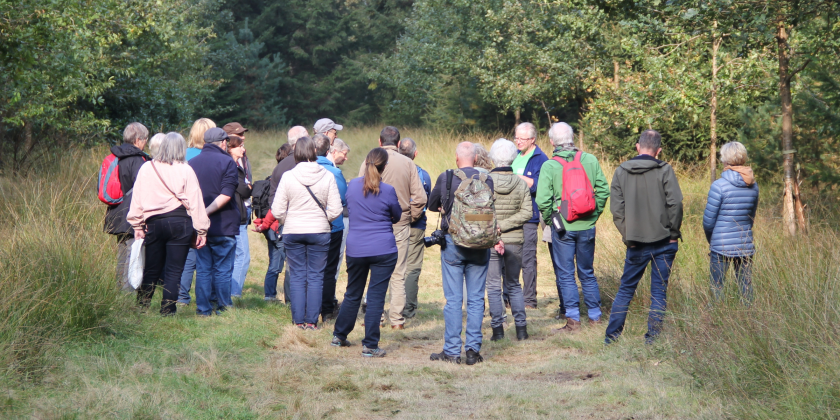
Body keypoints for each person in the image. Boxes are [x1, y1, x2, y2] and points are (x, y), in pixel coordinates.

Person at [605, 129, 683, 344]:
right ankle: (653, 340)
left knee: (626, 289)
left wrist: (628, 235)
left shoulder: (621, 171)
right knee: (658, 292)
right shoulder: (665, 170)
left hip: (635, 243)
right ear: (658, 150)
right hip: (664, 241)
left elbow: (617, 211)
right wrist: (673, 233)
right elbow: (675, 204)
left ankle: (611, 338)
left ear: (638, 147)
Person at [536, 122, 610, 332]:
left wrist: (554, 221)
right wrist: (593, 215)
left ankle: (573, 321)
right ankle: (595, 318)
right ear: (573, 138)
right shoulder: (590, 159)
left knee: (566, 273)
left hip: (564, 227)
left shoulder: (550, 166)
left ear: (552, 142)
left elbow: (542, 201)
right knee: (587, 271)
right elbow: (603, 191)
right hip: (587, 224)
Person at [127, 132, 210, 315]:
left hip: (154, 223)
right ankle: (168, 310)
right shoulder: (186, 169)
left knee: (151, 267)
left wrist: (137, 225)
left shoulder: (147, 168)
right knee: (174, 271)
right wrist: (202, 230)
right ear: (181, 149)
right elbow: (196, 201)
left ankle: (142, 306)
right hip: (181, 222)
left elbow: (137, 198)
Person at [427, 142, 495, 365]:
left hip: (453, 243)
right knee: (476, 299)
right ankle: (473, 350)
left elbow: (432, 204)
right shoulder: (487, 180)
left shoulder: (446, 177)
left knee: (454, 299)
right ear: (476, 159)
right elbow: (488, 212)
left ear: (457, 158)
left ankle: (452, 350)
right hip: (480, 245)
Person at [331, 148, 402, 357]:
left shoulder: (352, 185)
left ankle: (339, 335)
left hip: (356, 247)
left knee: (352, 293)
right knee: (375, 296)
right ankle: (370, 345)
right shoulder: (388, 190)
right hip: (383, 248)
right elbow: (396, 216)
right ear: (384, 166)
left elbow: (349, 206)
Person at [356, 126, 427, 329]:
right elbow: (420, 197)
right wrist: (411, 216)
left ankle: (375, 317)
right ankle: (397, 320)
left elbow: (360, 190)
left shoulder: (368, 161)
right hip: (400, 223)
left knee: (374, 270)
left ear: (380, 142)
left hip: (373, 223)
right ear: (398, 143)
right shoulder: (408, 163)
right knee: (398, 272)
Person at [272, 137, 342, 329]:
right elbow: (336, 209)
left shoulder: (288, 176)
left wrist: (289, 220)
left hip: (293, 231)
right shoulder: (327, 176)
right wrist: (323, 219)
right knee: (316, 276)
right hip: (319, 231)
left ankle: (298, 321)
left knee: (296, 275)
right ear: (313, 151)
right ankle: (311, 321)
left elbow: (277, 211)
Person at [189, 127, 240, 316]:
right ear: (224, 143)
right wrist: (207, 211)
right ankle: (223, 307)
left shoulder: (191, 163)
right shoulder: (227, 162)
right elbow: (226, 195)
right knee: (222, 269)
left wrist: (199, 214)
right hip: (223, 225)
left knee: (203, 269)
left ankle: (203, 309)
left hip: (199, 226)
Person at [486, 139, 532, 341]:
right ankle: (521, 330)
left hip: (490, 240)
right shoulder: (521, 184)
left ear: (492, 157)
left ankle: (498, 331)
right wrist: (505, 225)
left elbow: (477, 213)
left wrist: (496, 226)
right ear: (513, 157)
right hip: (515, 240)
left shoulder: (484, 181)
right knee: (514, 284)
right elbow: (527, 213)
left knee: (494, 285)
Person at [703, 141, 758, 305]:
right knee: (746, 289)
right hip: (745, 244)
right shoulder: (754, 186)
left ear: (725, 160)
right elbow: (751, 218)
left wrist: (712, 240)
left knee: (716, 288)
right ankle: (750, 321)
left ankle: (714, 323)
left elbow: (708, 221)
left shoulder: (718, 186)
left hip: (721, 245)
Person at [262, 126, 309, 302]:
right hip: (308, 222)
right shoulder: (311, 165)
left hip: (287, 222)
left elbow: (273, 202)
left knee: (292, 264)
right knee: (306, 265)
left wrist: (283, 220)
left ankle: (292, 301)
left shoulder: (280, 167)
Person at [104, 122, 150, 292]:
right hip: (133, 215)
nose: (145, 142)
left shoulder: (115, 156)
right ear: (138, 140)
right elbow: (143, 189)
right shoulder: (139, 160)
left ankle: (119, 291)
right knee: (134, 256)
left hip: (116, 212)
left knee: (122, 255)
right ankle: (127, 295)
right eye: (145, 139)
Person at [179, 118, 217, 305]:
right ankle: (209, 296)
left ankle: (182, 295)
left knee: (188, 255)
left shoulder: (183, 154)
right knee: (206, 255)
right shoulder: (213, 157)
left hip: (183, 209)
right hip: (208, 208)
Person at [512, 122, 548, 309]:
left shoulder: (541, 159)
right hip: (510, 215)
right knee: (509, 258)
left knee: (527, 259)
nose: (518, 141)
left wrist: (518, 178)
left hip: (529, 216)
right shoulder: (514, 155)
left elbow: (541, 186)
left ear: (532, 139)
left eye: (522, 138)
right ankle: (510, 298)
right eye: (516, 137)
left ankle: (529, 300)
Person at [314, 134, 348, 321]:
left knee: (310, 268)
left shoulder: (299, 170)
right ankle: (327, 310)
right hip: (332, 226)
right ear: (328, 151)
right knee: (329, 269)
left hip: (308, 226)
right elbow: (343, 199)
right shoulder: (334, 173)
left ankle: (307, 309)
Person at [397, 138, 432, 319]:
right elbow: (427, 199)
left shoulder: (390, 170)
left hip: (394, 223)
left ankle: (391, 305)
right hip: (416, 225)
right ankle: (408, 308)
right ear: (415, 154)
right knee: (412, 267)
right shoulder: (423, 175)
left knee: (392, 266)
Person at [223, 123, 252, 299]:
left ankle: (227, 291)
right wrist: (248, 187)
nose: (243, 139)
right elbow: (244, 189)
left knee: (234, 254)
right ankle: (233, 294)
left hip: (241, 211)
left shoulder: (242, 158)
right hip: (235, 215)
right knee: (242, 255)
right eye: (239, 137)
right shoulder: (230, 165)